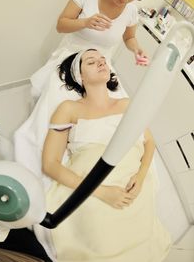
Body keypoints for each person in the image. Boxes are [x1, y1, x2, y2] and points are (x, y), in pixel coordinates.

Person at [14, 0, 150, 181]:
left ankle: (106, 156)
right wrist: (85, 22)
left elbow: (130, 37)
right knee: (59, 101)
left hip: (102, 63)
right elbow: (61, 24)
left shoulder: (131, 12)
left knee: (116, 109)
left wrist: (136, 49)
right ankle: (52, 152)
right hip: (71, 57)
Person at [41, 49, 171, 262]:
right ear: (80, 76)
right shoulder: (68, 109)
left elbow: (149, 142)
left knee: (140, 234)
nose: (101, 63)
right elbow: (50, 164)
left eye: (103, 60)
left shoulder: (127, 105)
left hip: (131, 182)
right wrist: (101, 192)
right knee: (98, 234)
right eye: (91, 62)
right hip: (91, 183)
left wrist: (140, 176)